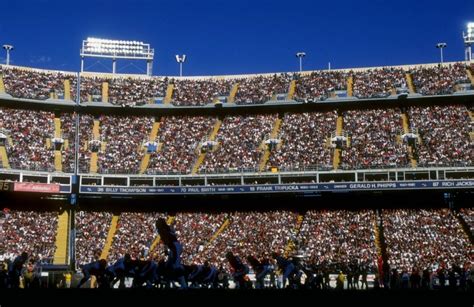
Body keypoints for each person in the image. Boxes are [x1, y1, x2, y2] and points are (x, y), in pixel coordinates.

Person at [155, 218, 187, 288]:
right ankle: (169, 282)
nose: (156, 226)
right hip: (175, 246)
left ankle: (183, 284)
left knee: (175, 265)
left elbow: (166, 241)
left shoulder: (162, 231)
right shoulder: (167, 228)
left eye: (157, 224)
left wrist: (166, 250)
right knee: (169, 265)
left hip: (174, 247)